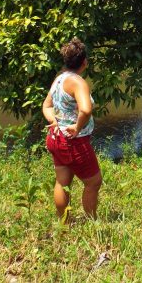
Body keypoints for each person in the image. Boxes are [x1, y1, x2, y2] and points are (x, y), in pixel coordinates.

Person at [42, 38, 102, 220]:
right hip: (74, 142)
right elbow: (86, 109)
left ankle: (64, 223)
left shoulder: (59, 79)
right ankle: (92, 221)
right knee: (93, 182)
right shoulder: (78, 82)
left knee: (62, 181)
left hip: (56, 137)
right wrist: (76, 126)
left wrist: (55, 121)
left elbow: (46, 106)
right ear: (84, 62)